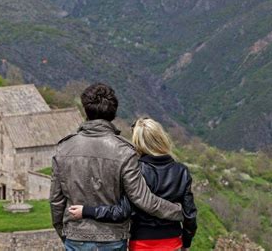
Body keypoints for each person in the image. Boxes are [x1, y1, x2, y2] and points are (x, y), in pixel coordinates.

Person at [49, 83, 184, 251]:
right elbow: (143, 199)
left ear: (86, 111)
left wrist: (64, 232)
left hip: (76, 237)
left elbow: (56, 200)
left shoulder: (64, 148)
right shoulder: (125, 151)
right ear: (113, 113)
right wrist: (178, 211)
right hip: (112, 238)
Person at [69, 117, 197, 251]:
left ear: (138, 143)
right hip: (173, 241)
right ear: (161, 138)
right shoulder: (182, 171)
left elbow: (122, 211)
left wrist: (87, 211)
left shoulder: (136, 170)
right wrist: (186, 243)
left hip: (142, 242)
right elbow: (190, 215)